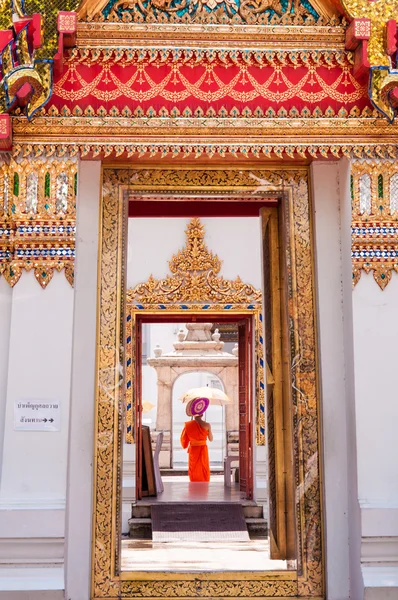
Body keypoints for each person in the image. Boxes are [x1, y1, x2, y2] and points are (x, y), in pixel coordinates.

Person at [180, 398, 213, 483]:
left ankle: (194, 482)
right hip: (203, 448)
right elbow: (211, 439)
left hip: (193, 450)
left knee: (194, 467)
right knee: (203, 466)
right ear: (202, 414)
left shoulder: (188, 425)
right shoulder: (207, 425)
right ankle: (204, 482)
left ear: (193, 413)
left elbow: (184, 441)